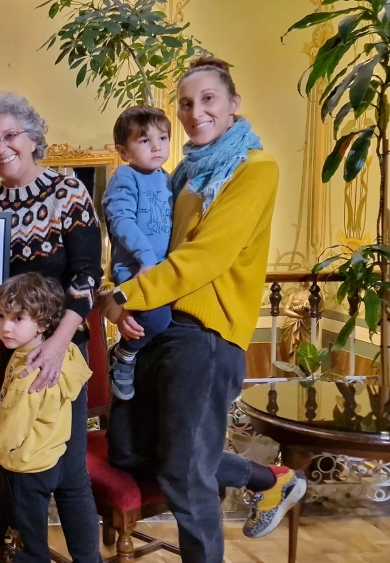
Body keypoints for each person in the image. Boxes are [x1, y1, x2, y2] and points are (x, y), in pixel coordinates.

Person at [99, 57, 307, 563]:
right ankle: (268, 479)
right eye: (186, 104)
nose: (196, 112)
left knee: (184, 474)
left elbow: (205, 257)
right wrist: (115, 291)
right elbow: (148, 244)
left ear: (234, 104)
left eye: (208, 99)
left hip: (206, 335)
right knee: (129, 451)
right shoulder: (184, 175)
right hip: (162, 324)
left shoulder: (255, 169)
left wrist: (124, 298)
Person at [0, 91, 102, 563]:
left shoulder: (68, 191)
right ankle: (11, 553)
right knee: (4, 464)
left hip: (62, 352)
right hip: (0, 355)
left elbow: (87, 276)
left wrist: (57, 344)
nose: (0, 148)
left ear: (33, 137)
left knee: (69, 471)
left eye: (10, 136)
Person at [0, 273, 92, 563]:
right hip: (51, 457)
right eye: (0, 316)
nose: (5, 327)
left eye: (18, 318)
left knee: (29, 546)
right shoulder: (66, 354)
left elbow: (10, 434)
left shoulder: (26, 374)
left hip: (25, 469)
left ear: (43, 324)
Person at [102, 106, 174, 400]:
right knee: (156, 319)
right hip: (135, 268)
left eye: (163, 138)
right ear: (123, 151)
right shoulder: (125, 176)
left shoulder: (167, 178)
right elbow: (121, 221)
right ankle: (123, 354)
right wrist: (146, 258)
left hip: (161, 269)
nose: (157, 146)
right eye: (145, 140)